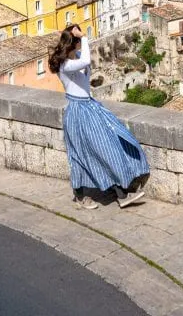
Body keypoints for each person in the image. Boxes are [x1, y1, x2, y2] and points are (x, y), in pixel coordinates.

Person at [49, 25, 149, 210]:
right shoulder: (66, 65)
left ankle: (121, 189)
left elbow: (85, 64)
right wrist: (84, 37)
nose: (81, 43)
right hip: (79, 112)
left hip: (89, 106)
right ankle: (100, 195)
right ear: (74, 43)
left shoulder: (75, 59)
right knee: (89, 153)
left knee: (107, 146)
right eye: (78, 40)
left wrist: (75, 37)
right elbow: (87, 59)